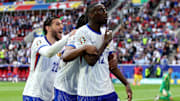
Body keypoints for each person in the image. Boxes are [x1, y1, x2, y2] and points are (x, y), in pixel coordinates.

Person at [64, 3, 132, 101]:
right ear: (91, 14)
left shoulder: (106, 33)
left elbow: (111, 65)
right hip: (89, 93)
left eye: (105, 10)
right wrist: (105, 42)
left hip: (107, 91)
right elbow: (91, 61)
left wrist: (126, 83)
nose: (106, 13)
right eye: (101, 10)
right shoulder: (82, 32)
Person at [23, 16, 71, 101]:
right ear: (48, 28)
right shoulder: (39, 41)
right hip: (34, 95)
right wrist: (69, 36)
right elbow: (48, 52)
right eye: (57, 24)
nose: (61, 26)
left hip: (50, 97)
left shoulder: (61, 48)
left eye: (62, 24)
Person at [54, 15, 98, 101]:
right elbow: (66, 56)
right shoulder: (76, 36)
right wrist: (84, 48)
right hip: (64, 89)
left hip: (78, 90)